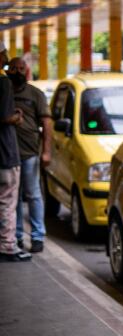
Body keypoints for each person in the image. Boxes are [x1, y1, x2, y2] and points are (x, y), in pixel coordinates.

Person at [9, 56, 52, 253]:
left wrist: (47, 152)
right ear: (8, 70)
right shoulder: (5, 93)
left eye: (21, 68)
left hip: (29, 153)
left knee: (33, 194)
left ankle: (37, 236)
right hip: (8, 154)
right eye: (14, 68)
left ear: (26, 71)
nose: (18, 72)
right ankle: (16, 235)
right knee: (13, 197)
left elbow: (47, 124)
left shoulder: (35, 94)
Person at [0, 42, 29, 262]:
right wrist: (17, 117)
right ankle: (7, 246)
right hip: (5, 153)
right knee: (7, 202)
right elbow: (4, 117)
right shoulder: (4, 83)